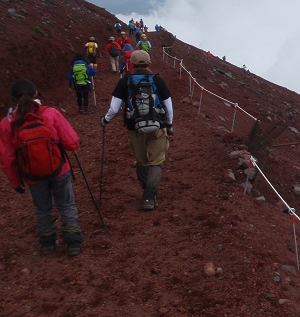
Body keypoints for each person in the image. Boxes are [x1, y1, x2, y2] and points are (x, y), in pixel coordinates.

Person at [0, 79, 83, 256]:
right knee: (66, 204)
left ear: (13, 98)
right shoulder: (50, 113)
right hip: (58, 168)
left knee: (42, 208)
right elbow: (72, 142)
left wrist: (16, 182)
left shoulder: (7, 124)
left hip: (32, 174)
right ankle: (73, 242)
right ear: (36, 93)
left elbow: (7, 158)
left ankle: (47, 244)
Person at [100, 50, 173, 210]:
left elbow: (114, 108)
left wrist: (105, 120)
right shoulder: (157, 80)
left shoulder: (124, 81)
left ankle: (146, 191)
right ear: (149, 63)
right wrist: (169, 123)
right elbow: (168, 104)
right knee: (157, 160)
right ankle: (149, 197)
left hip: (135, 128)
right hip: (157, 126)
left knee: (141, 161)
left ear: (131, 64)